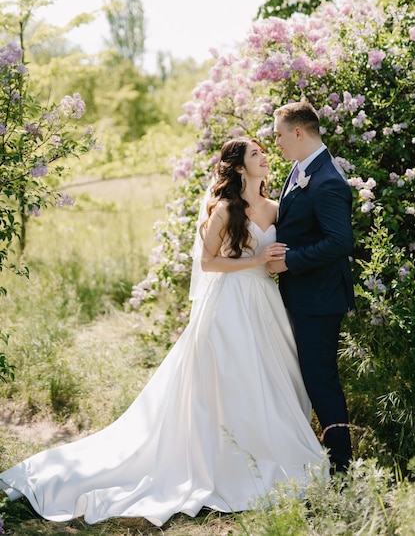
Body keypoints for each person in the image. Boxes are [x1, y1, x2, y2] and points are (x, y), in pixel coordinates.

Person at [0, 137, 326, 528]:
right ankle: (224, 463)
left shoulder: (275, 208)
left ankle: (268, 453)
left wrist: (279, 263)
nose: (265, 157)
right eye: (256, 154)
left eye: (262, 151)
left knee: (273, 380)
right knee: (232, 380)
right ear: (239, 167)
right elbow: (207, 262)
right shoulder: (225, 209)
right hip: (229, 305)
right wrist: (256, 259)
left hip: (265, 305)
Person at [268, 100, 355, 475]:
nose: (277, 142)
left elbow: (341, 241)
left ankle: (343, 467)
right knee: (308, 376)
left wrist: (290, 261)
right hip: (299, 295)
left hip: (319, 298)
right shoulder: (299, 170)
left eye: (280, 135)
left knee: (321, 378)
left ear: (298, 132)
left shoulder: (327, 180)